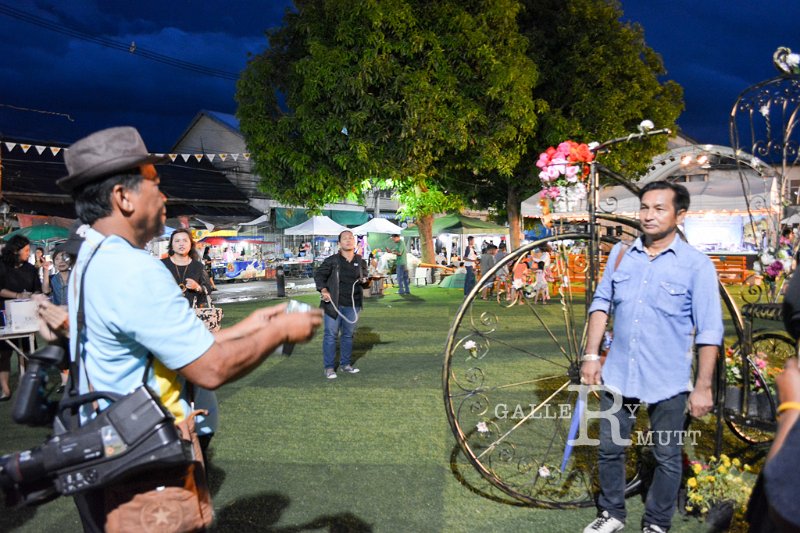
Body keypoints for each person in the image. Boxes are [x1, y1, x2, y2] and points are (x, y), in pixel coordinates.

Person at [56, 126, 322, 531]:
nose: (164, 197)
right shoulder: (134, 268)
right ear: (123, 197)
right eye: (154, 184)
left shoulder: (93, 258)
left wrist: (251, 326)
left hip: (111, 443)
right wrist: (279, 331)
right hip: (144, 458)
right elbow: (210, 368)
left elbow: (172, 346)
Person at [581, 181, 723, 533]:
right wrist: (591, 354)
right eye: (644, 207)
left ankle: (657, 522)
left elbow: (709, 331)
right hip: (620, 372)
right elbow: (601, 303)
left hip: (668, 378)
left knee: (667, 455)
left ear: (680, 215)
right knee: (610, 447)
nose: (648, 215)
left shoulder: (696, 265)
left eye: (659, 208)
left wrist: (703, 386)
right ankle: (612, 513)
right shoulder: (620, 255)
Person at [314, 230, 369, 379]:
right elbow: (319, 275)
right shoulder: (332, 261)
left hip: (353, 304)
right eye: (345, 238)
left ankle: (346, 365)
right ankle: (329, 368)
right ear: (339, 243)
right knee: (331, 335)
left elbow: (364, 280)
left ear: (355, 242)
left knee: (348, 335)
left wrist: (366, 280)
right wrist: (323, 289)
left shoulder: (360, 261)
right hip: (333, 304)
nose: (348, 240)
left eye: (351, 238)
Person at [0, 235, 43, 401]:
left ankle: (26, 385)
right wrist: (17, 295)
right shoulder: (2, 266)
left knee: (26, 350)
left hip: (26, 315)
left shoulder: (31, 269)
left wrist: (34, 295)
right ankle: (5, 389)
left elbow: (37, 289)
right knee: (4, 353)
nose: (28, 253)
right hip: (4, 314)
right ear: (15, 251)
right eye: (25, 250)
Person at [162, 228, 214, 306]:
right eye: (177, 241)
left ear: (191, 244)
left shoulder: (198, 266)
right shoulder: (161, 265)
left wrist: (197, 287)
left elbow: (208, 290)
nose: (181, 244)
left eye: (185, 240)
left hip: (191, 311)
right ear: (171, 245)